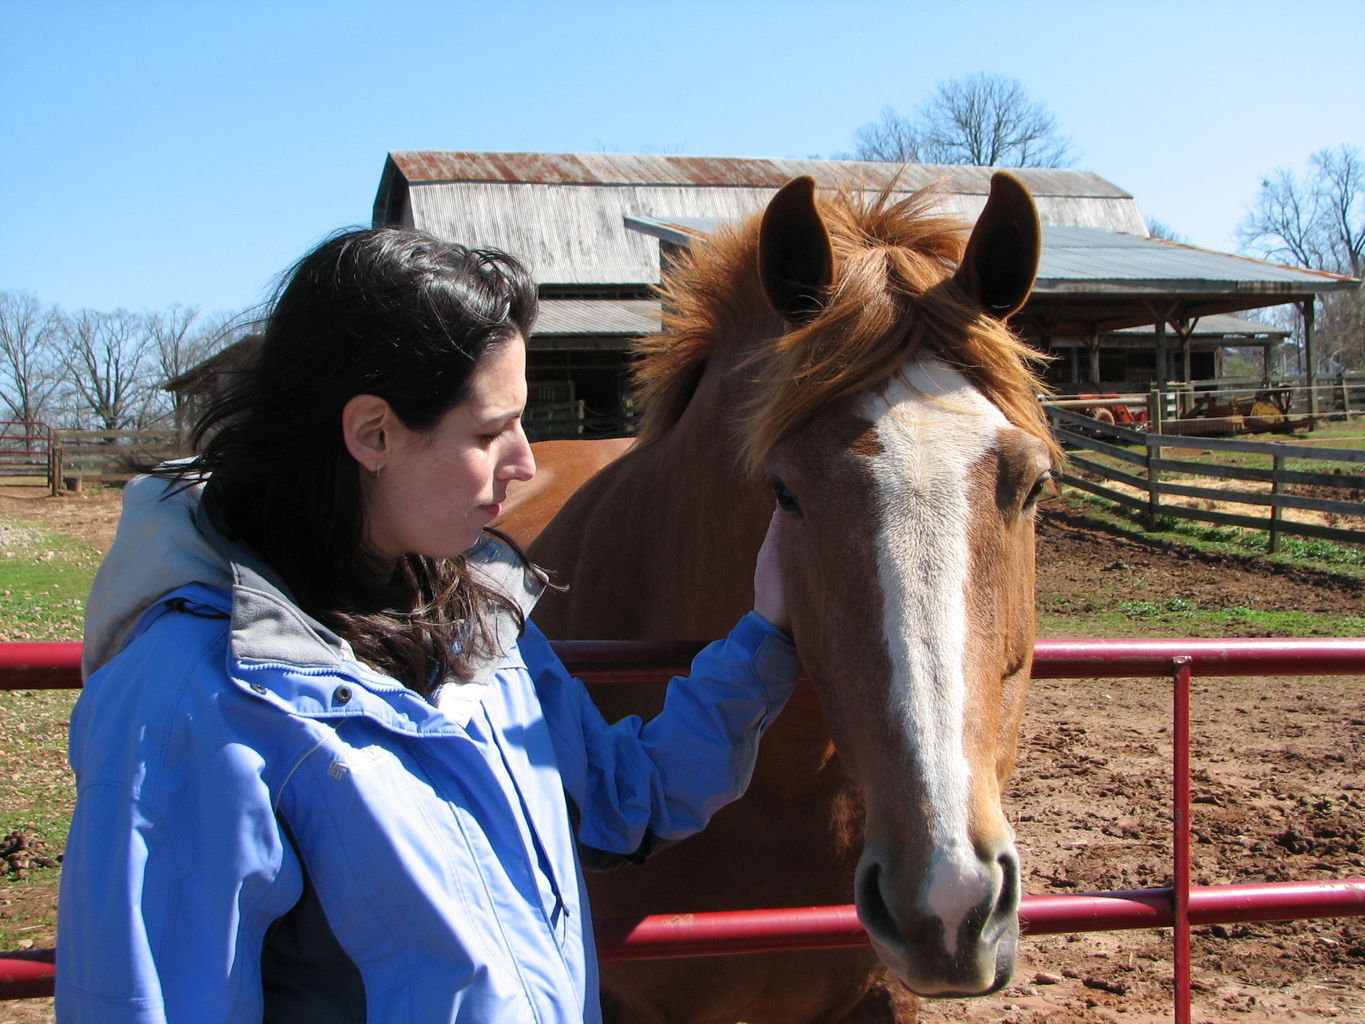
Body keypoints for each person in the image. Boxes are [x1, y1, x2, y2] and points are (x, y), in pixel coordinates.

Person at [56, 229, 798, 1023]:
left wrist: (764, 637)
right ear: (372, 433)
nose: (522, 461)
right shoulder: (189, 701)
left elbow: (615, 797)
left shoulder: (475, 625)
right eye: (488, 433)